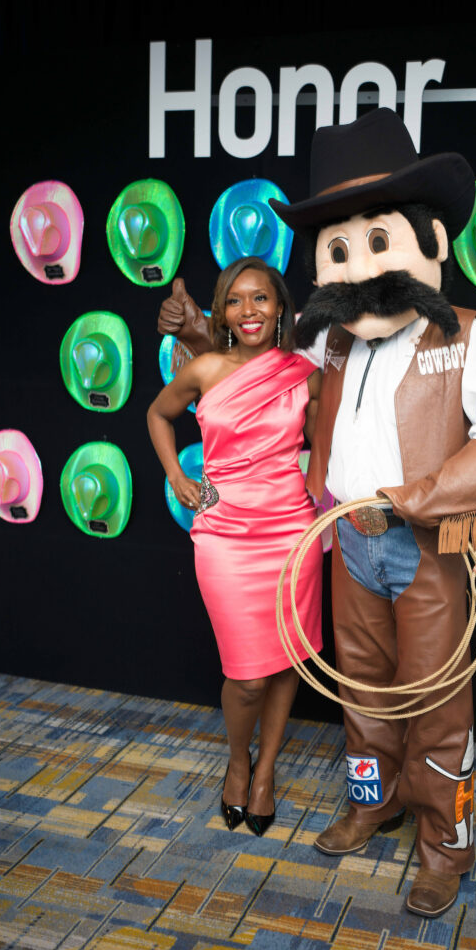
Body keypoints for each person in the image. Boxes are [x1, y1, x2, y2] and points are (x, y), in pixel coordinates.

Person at [158, 109, 476, 917]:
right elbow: (248, 370)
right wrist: (194, 331)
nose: (359, 268)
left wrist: (411, 501)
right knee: (360, 691)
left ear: (431, 243)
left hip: (424, 548)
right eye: (340, 249)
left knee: (437, 701)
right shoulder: (324, 345)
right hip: (341, 546)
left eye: (378, 242)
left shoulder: (465, 337)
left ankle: (445, 847)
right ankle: (374, 802)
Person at [148, 256, 323, 838]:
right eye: (235, 300)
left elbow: (327, 449)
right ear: (221, 311)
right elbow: (158, 414)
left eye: (261, 299)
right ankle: (238, 758)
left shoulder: (304, 372)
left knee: (286, 661)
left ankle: (267, 770)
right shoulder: (203, 369)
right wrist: (177, 475)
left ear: (280, 309)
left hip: (291, 533)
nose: (248, 311)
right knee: (247, 674)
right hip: (223, 535)